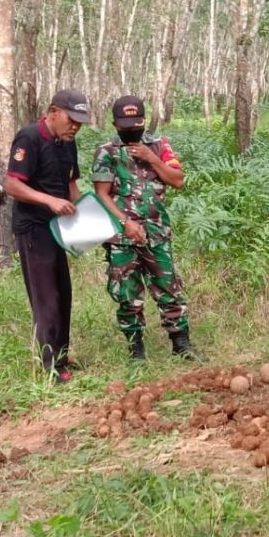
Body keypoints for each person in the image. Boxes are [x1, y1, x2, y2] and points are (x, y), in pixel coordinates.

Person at [92, 95, 203, 361]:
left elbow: (177, 181)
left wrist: (151, 158)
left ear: (144, 120)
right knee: (126, 294)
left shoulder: (160, 145)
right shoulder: (106, 151)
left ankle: (181, 346)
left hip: (157, 233)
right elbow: (102, 195)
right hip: (122, 238)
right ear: (115, 123)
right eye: (126, 124)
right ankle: (136, 351)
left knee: (169, 288)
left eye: (137, 123)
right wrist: (125, 223)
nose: (132, 129)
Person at [3, 89, 91, 384]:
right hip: (33, 227)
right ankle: (50, 366)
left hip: (58, 230)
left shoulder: (68, 143)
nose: (75, 126)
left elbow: (72, 185)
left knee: (63, 293)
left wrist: (83, 214)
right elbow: (13, 185)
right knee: (46, 298)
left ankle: (62, 357)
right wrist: (49, 201)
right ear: (53, 112)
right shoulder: (29, 137)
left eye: (80, 121)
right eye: (71, 119)